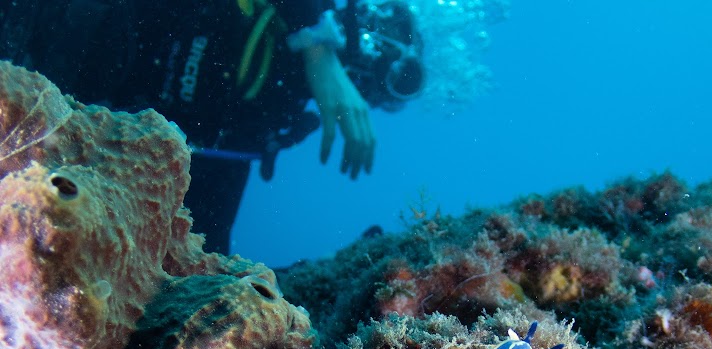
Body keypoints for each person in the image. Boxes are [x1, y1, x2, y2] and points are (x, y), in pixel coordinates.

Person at [0, 0, 425, 253]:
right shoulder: (295, 22)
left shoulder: (273, 119)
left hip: (37, 90)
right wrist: (318, 47)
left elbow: (198, 232)